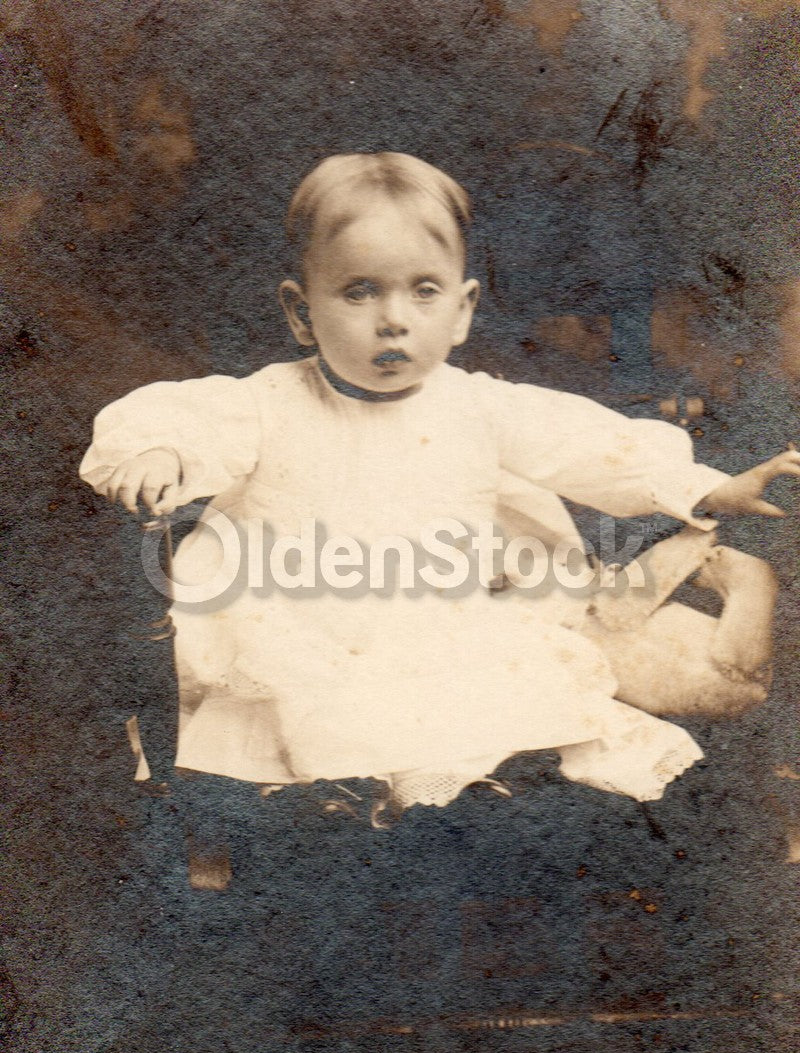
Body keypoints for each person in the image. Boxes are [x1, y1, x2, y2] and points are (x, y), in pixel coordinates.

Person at [80, 151, 799, 824]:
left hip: (444, 614)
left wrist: (708, 486)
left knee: (494, 698)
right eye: (359, 292)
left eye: (423, 291)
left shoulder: (478, 405)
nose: (394, 318)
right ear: (302, 312)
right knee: (332, 707)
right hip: (308, 617)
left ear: (461, 310)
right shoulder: (268, 403)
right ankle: (363, 802)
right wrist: (157, 452)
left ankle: (453, 807)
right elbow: (183, 417)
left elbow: (592, 447)